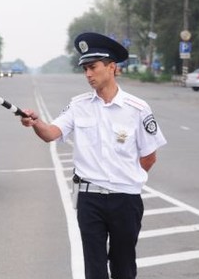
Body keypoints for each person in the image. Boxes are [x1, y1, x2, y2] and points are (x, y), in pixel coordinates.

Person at [19, 32, 167, 279]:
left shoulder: (137, 109)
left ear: (111, 68)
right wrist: (35, 122)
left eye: (93, 67)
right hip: (90, 200)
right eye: (84, 69)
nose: (88, 74)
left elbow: (149, 157)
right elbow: (51, 133)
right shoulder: (78, 105)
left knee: (123, 267)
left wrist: (127, 178)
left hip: (125, 200)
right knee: (94, 269)